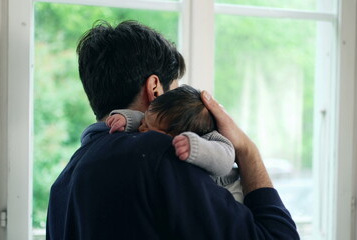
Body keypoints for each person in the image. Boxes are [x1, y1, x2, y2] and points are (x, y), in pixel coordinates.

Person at [46, 20, 300, 240]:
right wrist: (247, 150)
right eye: (175, 89)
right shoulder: (160, 153)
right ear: (155, 88)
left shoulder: (63, 185)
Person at [106, 84, 243, 202]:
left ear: (177, 135)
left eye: (147, 127)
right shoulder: (157, 124)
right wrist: (127, 119)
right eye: (143, 123)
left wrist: (195, 147)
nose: (141, 128)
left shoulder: (210, 139)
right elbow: (144, 117)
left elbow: (226, 160)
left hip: (231, 190)